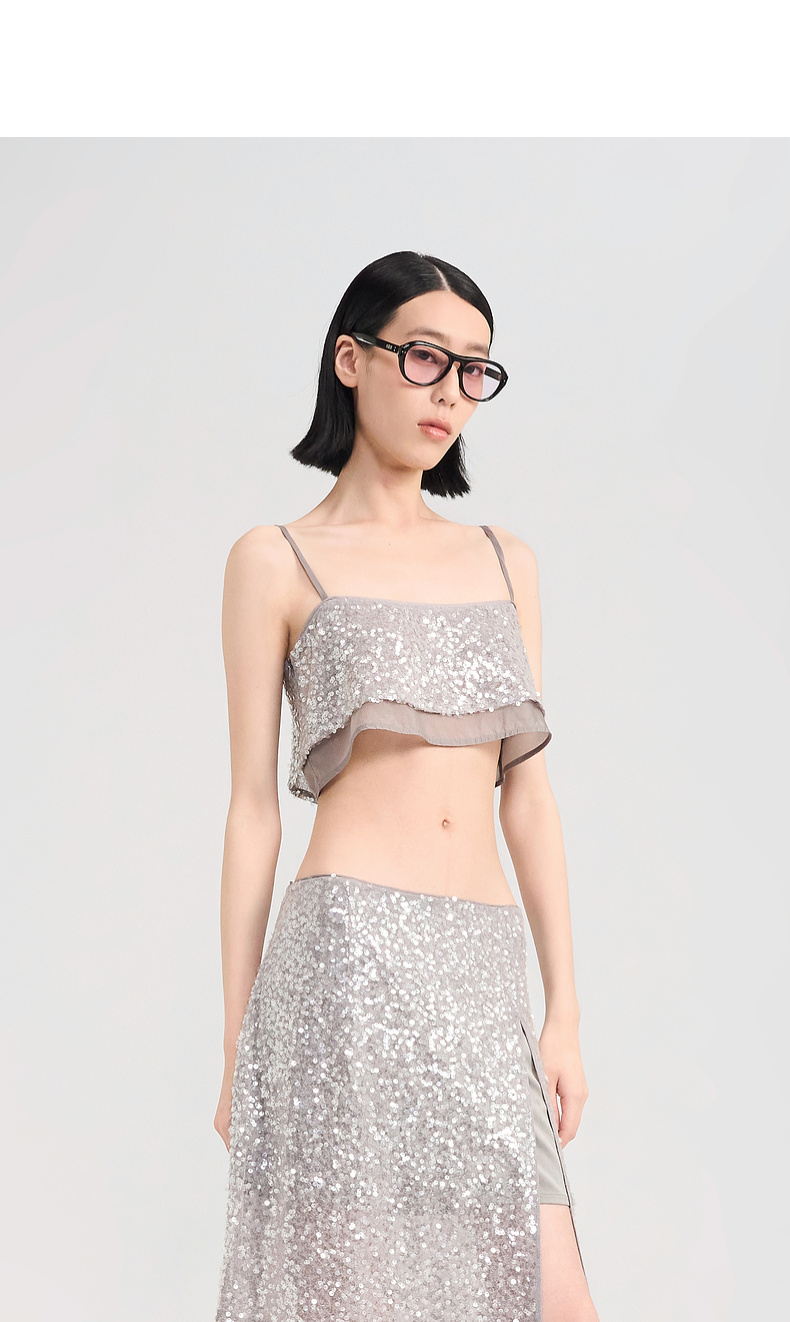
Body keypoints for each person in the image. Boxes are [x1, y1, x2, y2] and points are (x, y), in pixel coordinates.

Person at [213, 251, 599, 1321]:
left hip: (481, 966)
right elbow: (252, 808)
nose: (450, 392)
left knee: (555, 1297)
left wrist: (563, 1009)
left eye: (475, 369)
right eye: (426, 357)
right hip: (345, 964)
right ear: (352, 359)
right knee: (346, 1295)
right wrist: (238, 1039)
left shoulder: (505, 559)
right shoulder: (274, 558)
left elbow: (528, 795)